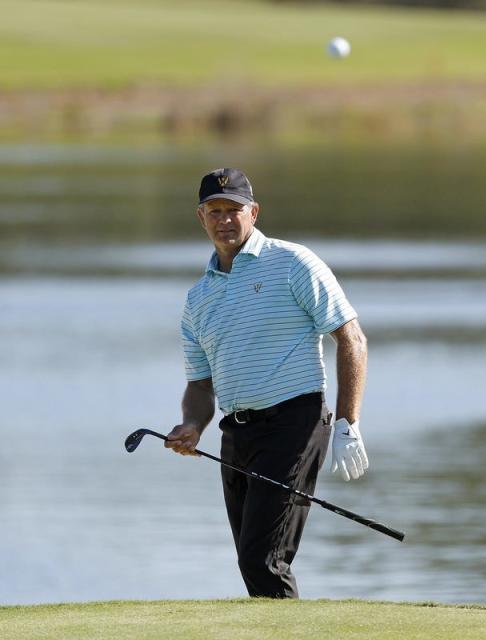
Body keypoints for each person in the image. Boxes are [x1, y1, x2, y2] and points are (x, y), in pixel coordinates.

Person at [165, 167, 369, 599]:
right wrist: (191, 425)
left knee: (263, 560)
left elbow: (351, 338)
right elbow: (200, 386)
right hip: (236, 433)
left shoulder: (293, 262)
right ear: (201, 217)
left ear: (253, 212)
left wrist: (348, 423)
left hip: (295, 422)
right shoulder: (198, 298)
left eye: (234, 210)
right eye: (214, 210)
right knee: (252, 562)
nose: (225, 220)